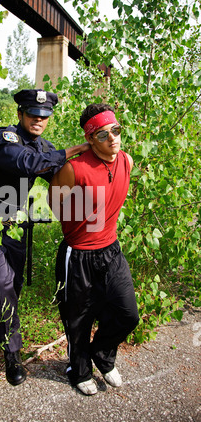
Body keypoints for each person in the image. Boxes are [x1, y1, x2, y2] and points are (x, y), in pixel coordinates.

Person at [0, 89, 90, 386]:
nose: (39, 120)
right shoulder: (4, 139)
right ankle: (12, 354)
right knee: (1, 282)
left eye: (44, 116)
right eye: (33, 114)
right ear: (20, 114)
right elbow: (27, 164)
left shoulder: (42, 146)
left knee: (13, 286)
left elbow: (60, 173)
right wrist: (75, 149)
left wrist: (95, 167)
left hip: (16, 227)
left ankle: (5, 323)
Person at [48, 103, 139, 396]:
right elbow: (56, 207)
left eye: (116, 130)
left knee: (127, 314)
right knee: (78, 320)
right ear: (90, 138)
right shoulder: (73, 169)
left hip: (111, 250)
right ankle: (79, 369)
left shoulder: (127, 161)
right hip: (79, 255)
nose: (113, 138)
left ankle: (101, 354)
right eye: (103, 134)